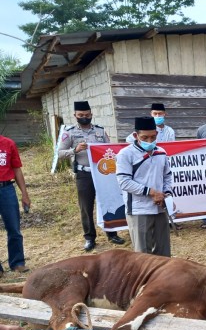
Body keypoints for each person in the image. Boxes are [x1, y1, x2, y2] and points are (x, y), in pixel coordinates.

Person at [58, 101, 125, 251]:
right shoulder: (69, 132)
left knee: (107, 202)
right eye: (81, 115)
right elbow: (59, 154)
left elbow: (109, 148)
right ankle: (89, 238)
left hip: (102, 174)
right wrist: (74, 150)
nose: (84, 118)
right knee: (86, 207)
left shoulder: (100, 131)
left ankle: (112, 233)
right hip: (84, 173)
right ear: (75, 115)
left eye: (87, 115)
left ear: (91, 115)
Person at [116, 116, 173, 257]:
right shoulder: (126, 154)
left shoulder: (161, 152)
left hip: (160, 206)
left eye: (153, 137)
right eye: (145, 137)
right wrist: (151, 192)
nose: (150, 141)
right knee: (143, 255)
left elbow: (167, 175)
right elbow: (124, 181)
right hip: (138, 209)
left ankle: (163, 278)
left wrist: (166, 193)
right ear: (136, 135)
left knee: (163, 251)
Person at [0, 135, 30, 275]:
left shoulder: (8, 143)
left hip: (6, 189)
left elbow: (17, 169)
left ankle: (17, 262)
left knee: (14, 228)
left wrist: (24, 194)